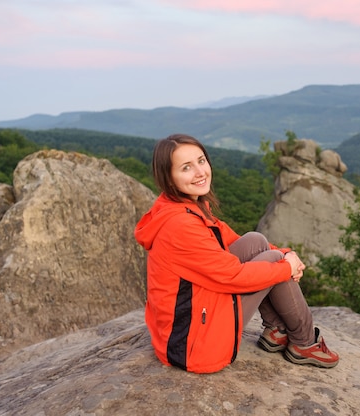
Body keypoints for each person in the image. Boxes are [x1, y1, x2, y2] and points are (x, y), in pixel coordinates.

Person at [134, 133, 339, 373]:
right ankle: (304, 342)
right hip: (192, 345)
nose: (200, 172)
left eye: (201, 161)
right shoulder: (180, 225)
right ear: (168, 177)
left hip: (188, 323)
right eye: (186, 168)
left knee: (256, 241)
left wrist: (287, 254)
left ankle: (276, 331)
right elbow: (233, 276)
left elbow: (230, 239)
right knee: (274, 262)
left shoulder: (183, 206)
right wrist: (285, 266)